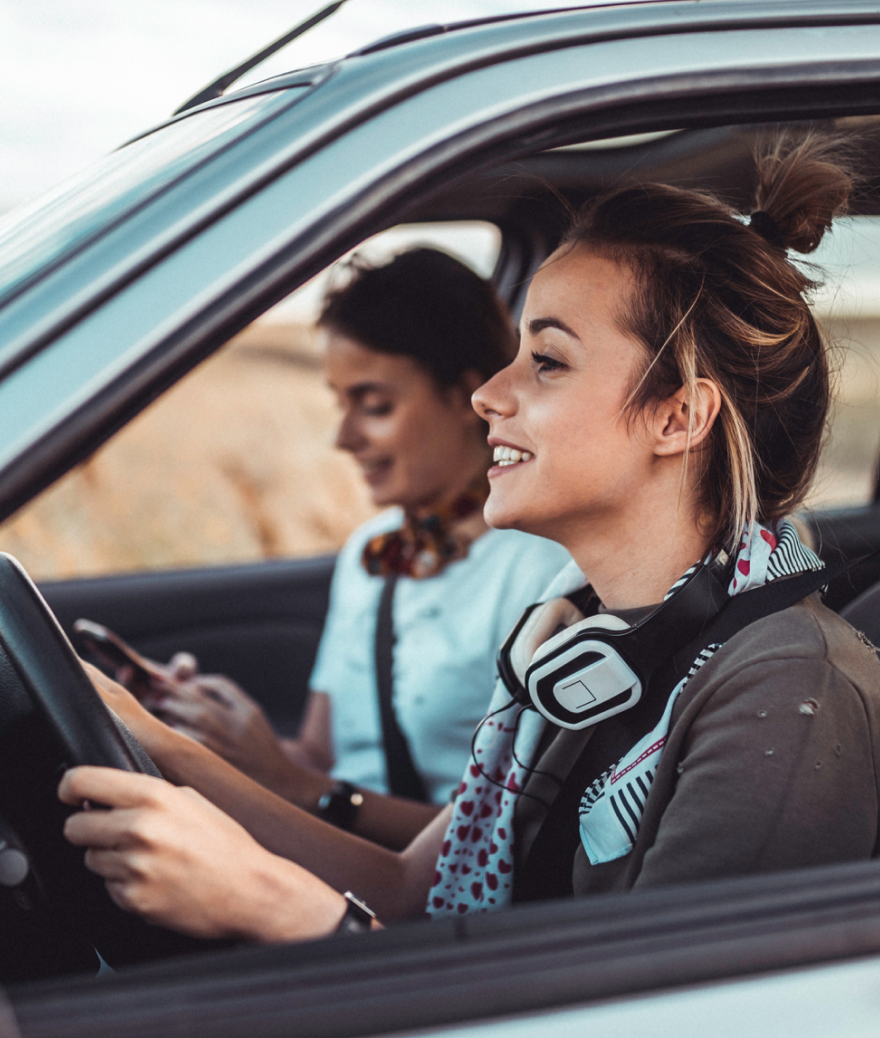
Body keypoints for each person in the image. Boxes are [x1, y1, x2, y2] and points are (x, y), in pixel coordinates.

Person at [59, 131, 880, 943]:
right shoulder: (581, 644)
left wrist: (277, 906)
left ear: (679, 416)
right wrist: (159, 742)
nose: (489, 395)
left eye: (546, 361)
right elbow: (406, 892)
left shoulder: (785, 691)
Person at [145, 248, 570, 849]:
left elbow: (509, 836)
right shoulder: (371, 550)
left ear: (468, 395)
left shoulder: (544, 570)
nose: (344, 439)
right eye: (339, 403)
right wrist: (219, 733)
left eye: (374, 406)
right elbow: (319, 754)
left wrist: (296, 785)